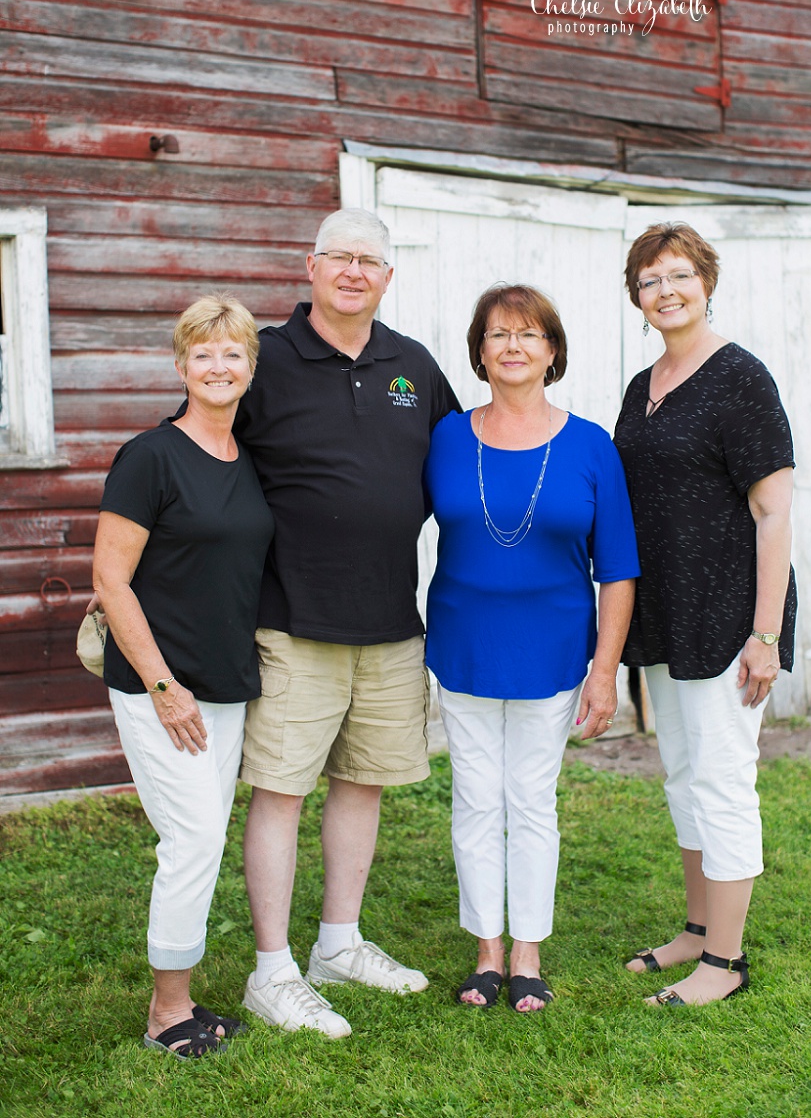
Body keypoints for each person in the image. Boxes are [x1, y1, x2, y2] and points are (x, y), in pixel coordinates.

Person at [233, 208, 459, 1039]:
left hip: (390, 621)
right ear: (311, 267)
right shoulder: (263, 358)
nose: (354, 272)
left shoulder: (414, 366)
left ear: (389, 278)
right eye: (339, 258)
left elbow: (461, 468)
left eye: (370, 260)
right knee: (282, 791)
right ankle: (271, 971)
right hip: (291, 617)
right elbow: (198, 452)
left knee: (363, 783)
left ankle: (337, 944)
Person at [423, 284, 639, 1012]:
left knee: (531, 799)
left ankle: (528, 953)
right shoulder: (448, 436)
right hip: (464, 642)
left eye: (528, 335)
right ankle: (485, 953)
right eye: (496, 335)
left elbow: (617, 570)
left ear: (552, 351)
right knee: (476, 797)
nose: (512, 347)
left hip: (553, 650)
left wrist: (605, 671)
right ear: (479, 353)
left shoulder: (590, 446)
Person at [613, 221, 796, 1007]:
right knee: (684, 777)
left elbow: (773, 511)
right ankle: (695, 927)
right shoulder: (642, 385)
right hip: (668, 612)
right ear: (637, 297)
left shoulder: (740, 377)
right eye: (651, 280)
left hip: (730, 616)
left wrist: (765, 633)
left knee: (723, 781)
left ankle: (724, 963)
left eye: (680, 275)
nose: (667, 291)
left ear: (707, 283)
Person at [92, 295, 274, 1057]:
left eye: (233, 353)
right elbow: (109, 577)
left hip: (225, 680)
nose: (219, 366)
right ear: (181, 366)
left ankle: (183, 998)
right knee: (195, 839)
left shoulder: (246, 460)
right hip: (162, 686)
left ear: (250, 368)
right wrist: (164, 687)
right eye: (204, 354)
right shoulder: (150, 457)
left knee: (200, 834)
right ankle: (168, 1012)